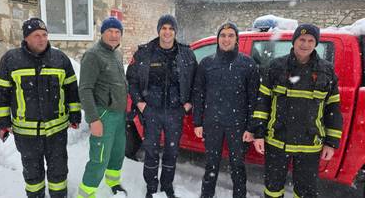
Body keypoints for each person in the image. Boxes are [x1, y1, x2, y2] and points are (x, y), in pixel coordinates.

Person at [0, 17, 82, 198]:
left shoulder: (60, 59)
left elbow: (72, 89)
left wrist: (74, 115)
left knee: (58, 172)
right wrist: (2, 124)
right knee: (33, 176)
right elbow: (1, 94)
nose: (41, 39)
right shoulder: (11, 60)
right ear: (26, 38)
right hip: (26, 134)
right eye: (36, 35)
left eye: (44, 35)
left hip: (56, 131)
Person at [252, 23, 343, 197]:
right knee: (272, 189)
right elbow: (262, 103)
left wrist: (331, 143)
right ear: (294, 41)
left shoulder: (327, 71)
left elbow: (333, 109)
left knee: (306, 192)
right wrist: (259, 133)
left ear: (316, 43)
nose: (305, 44)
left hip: (310, 145)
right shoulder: (275, 67)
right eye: (302, 39)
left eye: (310, 40)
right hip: (277, 140)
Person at [126, 15, 197, 198]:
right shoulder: (144, 53)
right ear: (159, 30)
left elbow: (197, 82)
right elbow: (131, 81)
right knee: (151, 151)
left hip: (176, 112)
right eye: (163, 28)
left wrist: (188, 105)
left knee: (172, 152)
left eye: (171, 29)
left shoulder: (186, 54)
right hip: (151, 112)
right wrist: (141, 105)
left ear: (175, 31)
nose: (167, 32)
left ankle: (167, 186)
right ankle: (151, 187)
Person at [191, 22, 259, 198]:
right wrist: (197, 122)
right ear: (217, 38)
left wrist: (251, 128)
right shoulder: (206, 64)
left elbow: (254, 98)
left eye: (230, 35)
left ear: (236, 39)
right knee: (211, 165)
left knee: (238, 166)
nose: (226, 39)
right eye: (223, 35)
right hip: (212, 123)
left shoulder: (248, 64)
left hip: (238, 125)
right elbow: (198, 95)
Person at [77, 16, 129, 197]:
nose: (114, 35)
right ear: (102, 33)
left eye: (117, 32)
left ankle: (113, 182)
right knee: (99, 158)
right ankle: (86, 193)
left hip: (119, 114)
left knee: (117, 152)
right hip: (103, 114)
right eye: (110, 31)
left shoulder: (116, 53)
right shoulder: (93, 55)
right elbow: (84, 89)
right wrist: (94, 119)